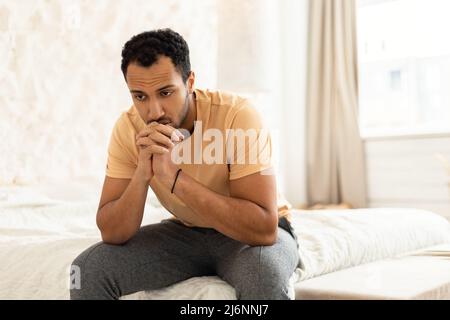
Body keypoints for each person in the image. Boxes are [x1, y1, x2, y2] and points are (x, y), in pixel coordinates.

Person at [70, 28, 299, 300]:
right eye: (139, 96)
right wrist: (143, 173)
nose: (153, 112)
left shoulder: (237, 116)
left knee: (263, 276)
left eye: (165, 92)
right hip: (187, 233)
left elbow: (263, 229)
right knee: (86, 270)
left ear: (190, 82)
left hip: (246, 238)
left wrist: (173, 178)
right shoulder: (128, 129)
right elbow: (112, 231)